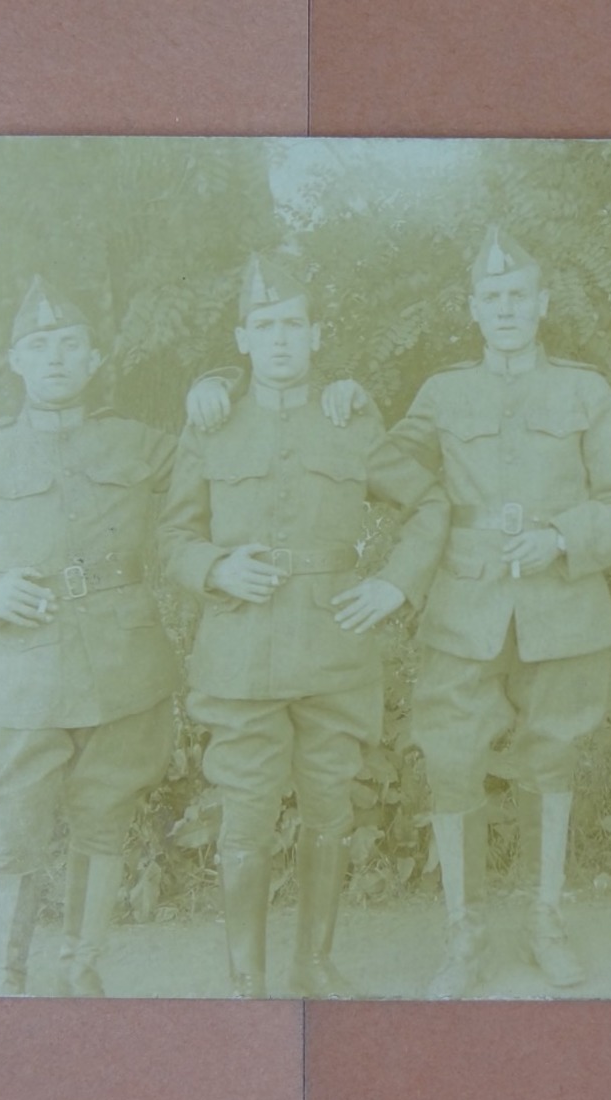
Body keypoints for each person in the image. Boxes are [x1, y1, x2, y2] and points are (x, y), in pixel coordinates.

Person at [159, 254, 449, 997]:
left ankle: (314, 964)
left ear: (316, 336)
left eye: (294, 325)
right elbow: (172, 536)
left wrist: (394, 584)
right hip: (242, 651)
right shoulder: (211, 426)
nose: (281, 339)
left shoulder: (349, 419)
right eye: (265, 326)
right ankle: (245, 978)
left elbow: (430, 505)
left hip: (334, 645)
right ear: (243, 339)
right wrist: (215, 569)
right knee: (246, 813)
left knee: (331, 803)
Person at [386, 227, 611, 996]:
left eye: (518, 296)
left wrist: (562, 536)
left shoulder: (584, 390)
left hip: (562, 606)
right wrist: (436, 509)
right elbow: (386, 463)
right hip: (464, 610)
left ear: (542, 303)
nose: (505, 308)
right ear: (474, 309)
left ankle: (545, 922)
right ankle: (463, 937)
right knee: (451, 761)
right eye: (491, 298)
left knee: (552, 760)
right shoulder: (443, 393)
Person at [0, 277, 180, 996]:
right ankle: (4, 984)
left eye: (70, 346)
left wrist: (219, 381)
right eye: (40, 347)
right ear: (15, 361)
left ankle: (81, 971)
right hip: (25, 674)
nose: (56, 359)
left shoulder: (137, 443)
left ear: (95, 359)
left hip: (123, 668)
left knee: (106, 820)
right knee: (15, 830)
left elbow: (217, 457)